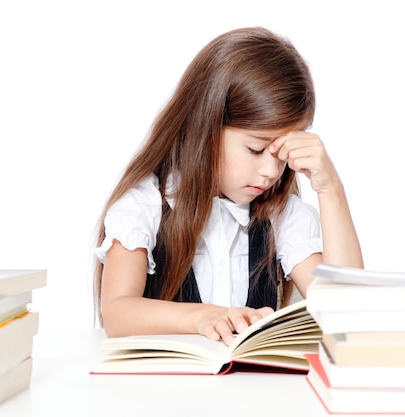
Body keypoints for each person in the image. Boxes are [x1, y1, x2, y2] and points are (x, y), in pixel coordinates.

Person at [93, 27, 363, 346]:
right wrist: (201, 317)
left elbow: (348, 315)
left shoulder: (281, 214)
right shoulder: (145, 205)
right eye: (256, 149)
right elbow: (117, 313)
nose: (271, 171)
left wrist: (330, 189)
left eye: (281, 154)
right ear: (204, 127)